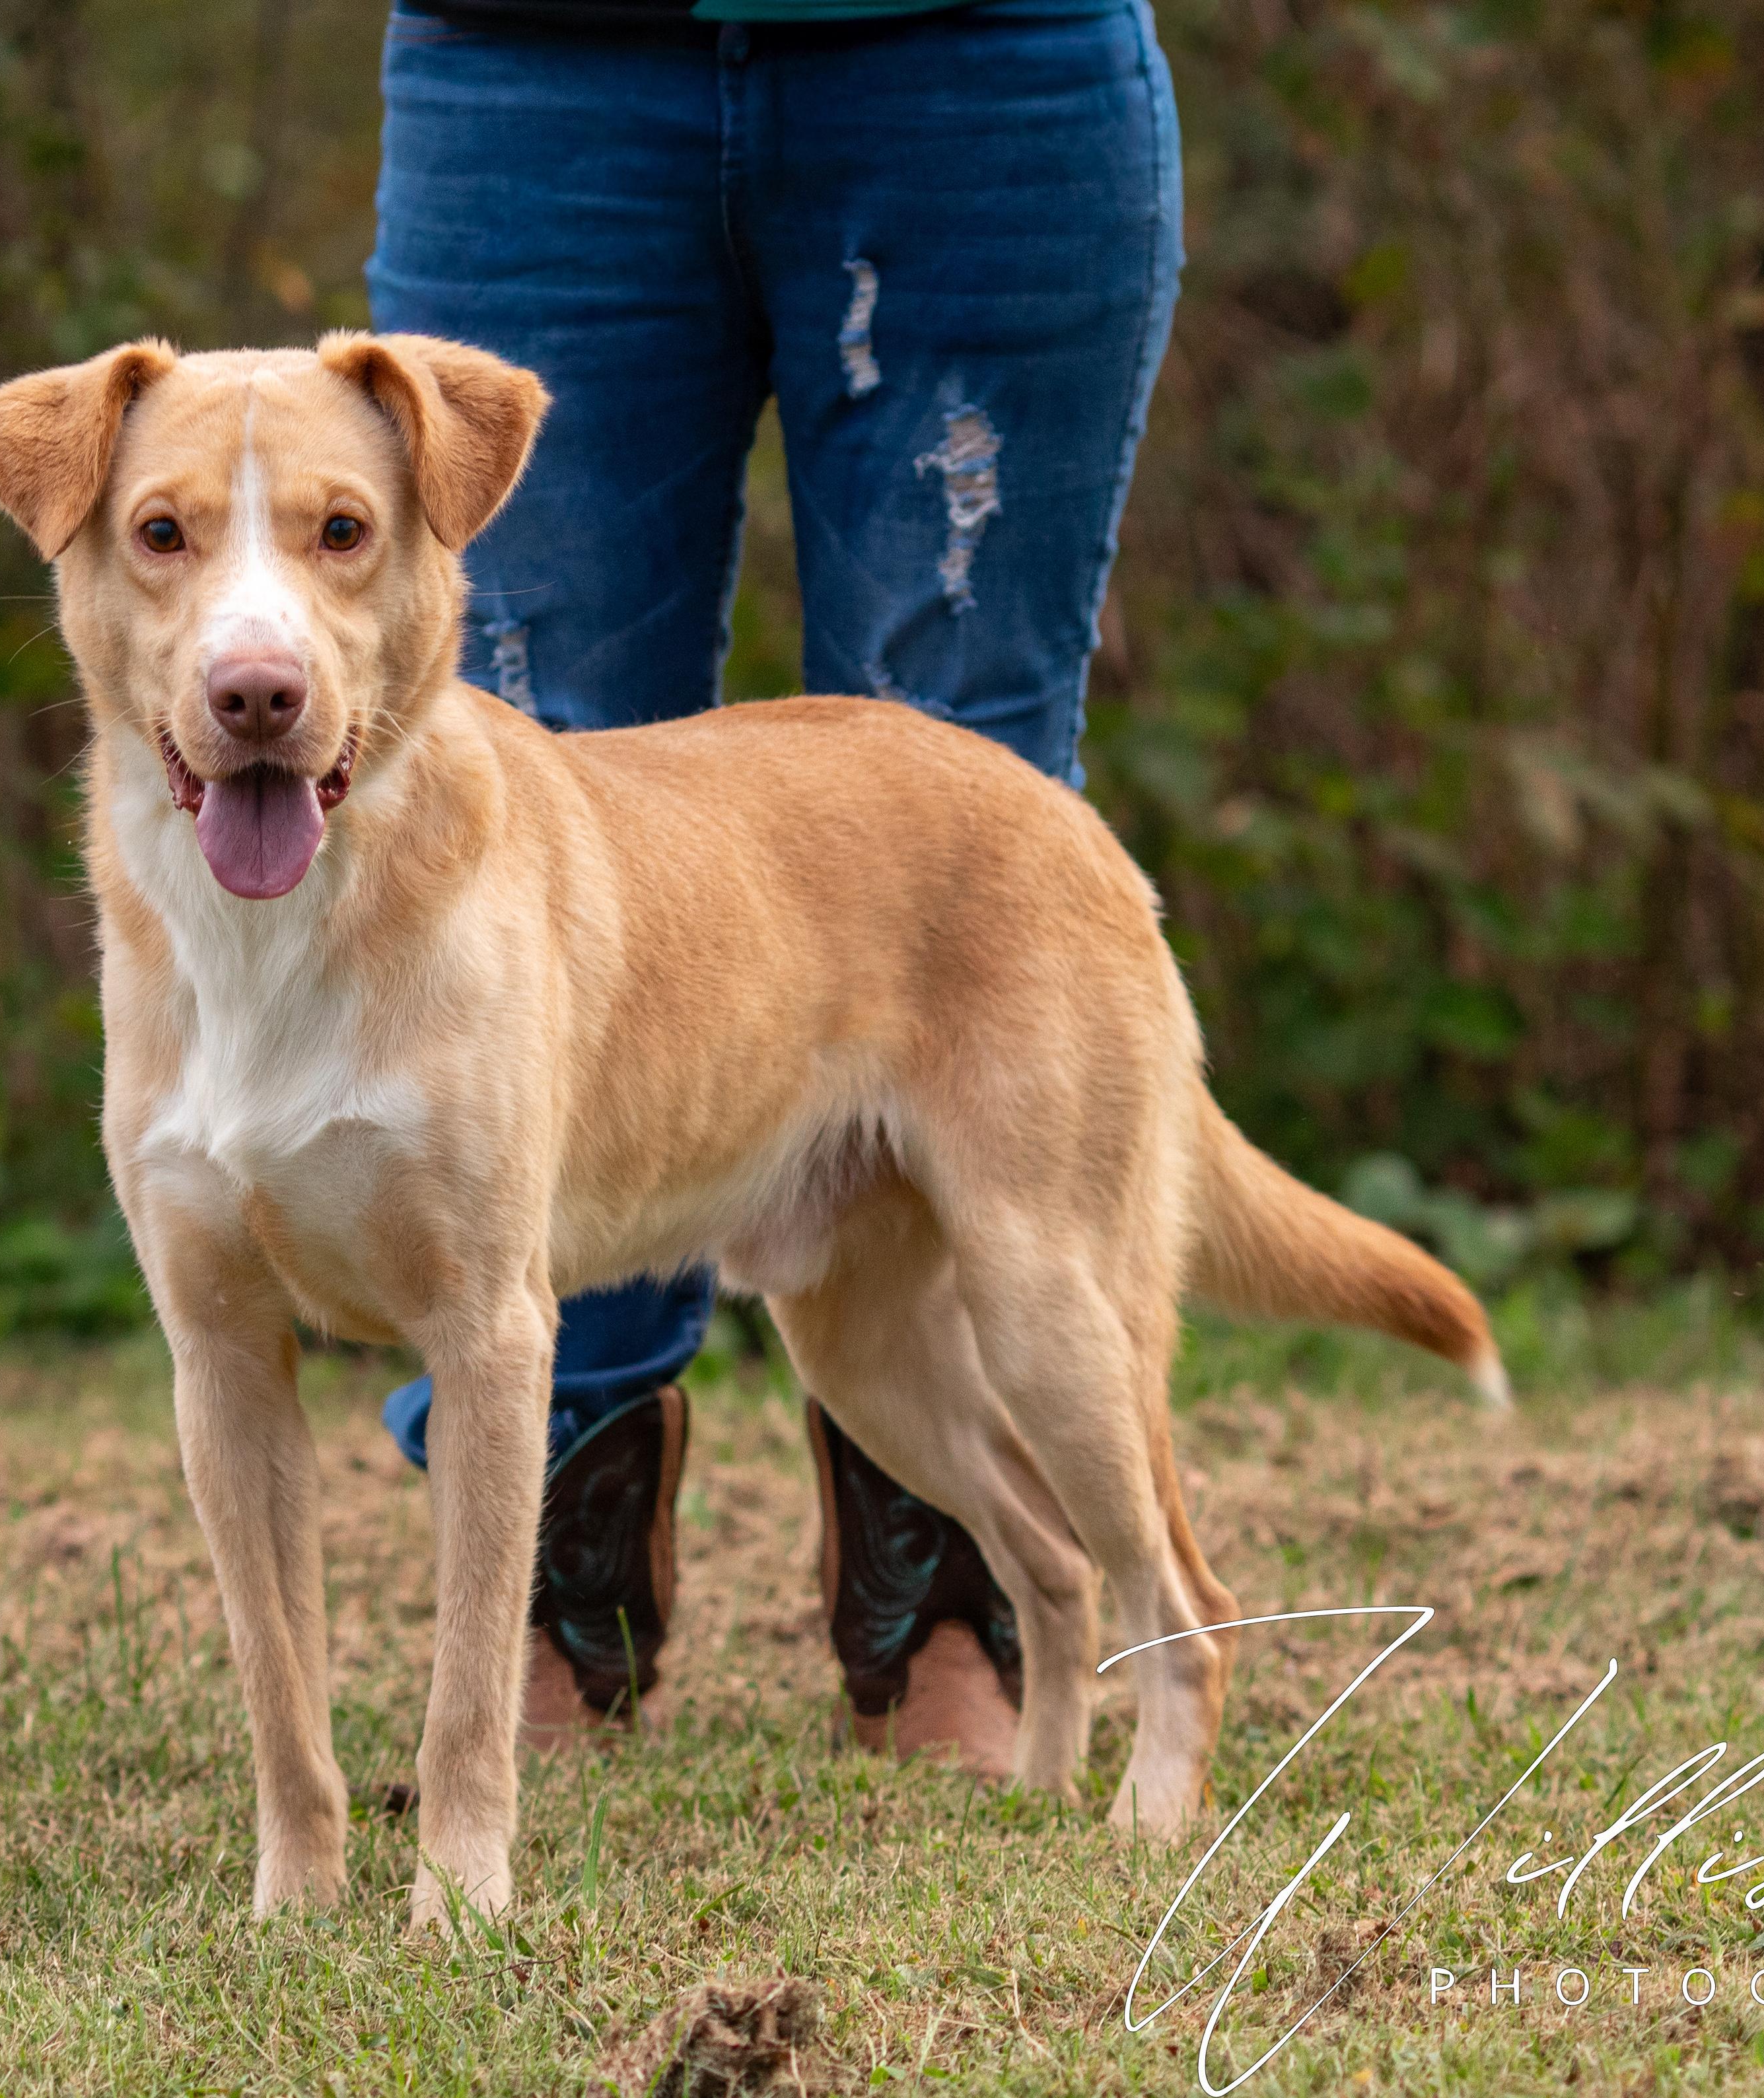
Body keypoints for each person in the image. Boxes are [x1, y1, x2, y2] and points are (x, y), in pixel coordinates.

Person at [363, 0, 1183, 1769]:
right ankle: (556, 1564)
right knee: (499, 779)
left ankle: (950, 1583)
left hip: (983, 54)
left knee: (951, 782)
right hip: (536, 57)